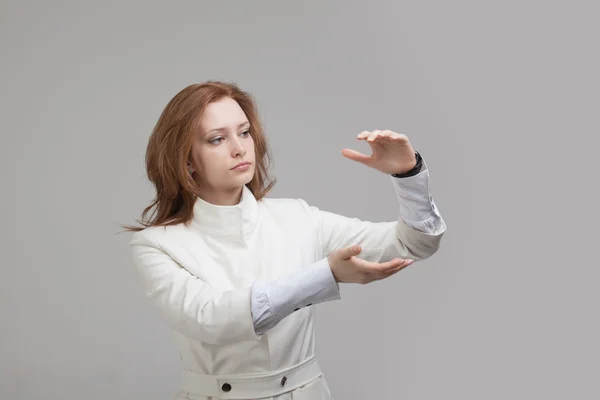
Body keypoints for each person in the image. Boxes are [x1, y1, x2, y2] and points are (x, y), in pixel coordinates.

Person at [123, 81, 447, 400]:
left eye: (245, 132)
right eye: (217, 139)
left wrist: (408, 174)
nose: (239, 147)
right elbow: (212, 320)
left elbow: (415, 243)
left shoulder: (298, 217)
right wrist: (325, 274)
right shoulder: (157, 244)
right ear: (186, 159)